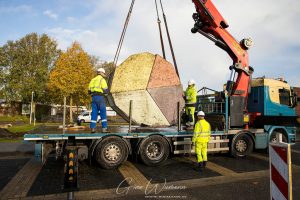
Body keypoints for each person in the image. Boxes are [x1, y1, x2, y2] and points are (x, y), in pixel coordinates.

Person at [88, 68, 109, 133]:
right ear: (102, 73)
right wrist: (107, 94)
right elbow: (105, 90)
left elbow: (89, 91)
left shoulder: (92, 80)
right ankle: (104, 129)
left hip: (94, 98)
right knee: (103, 113)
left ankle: (93, 128)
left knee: (94, 113)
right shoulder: (102, 80)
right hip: (100, 98)